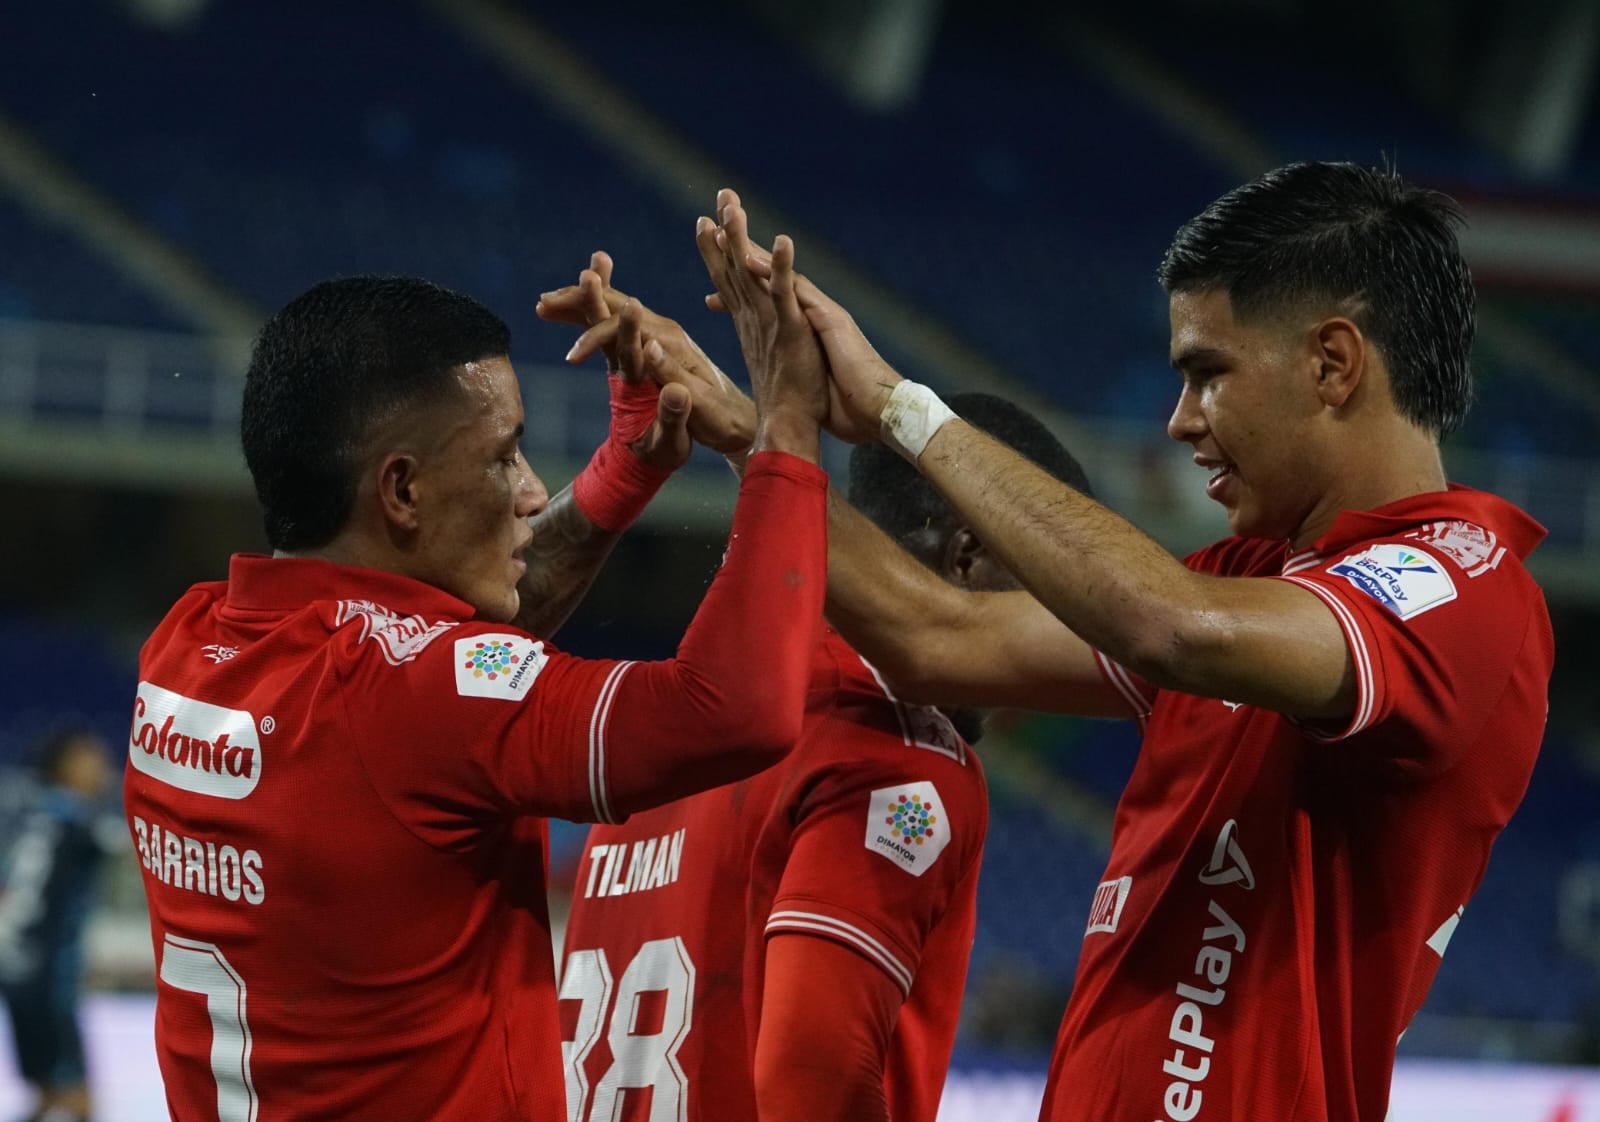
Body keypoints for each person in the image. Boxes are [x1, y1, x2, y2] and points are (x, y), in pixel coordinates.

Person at [702, 167, 1553, 1122]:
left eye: (1208, 372)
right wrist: (750, 430)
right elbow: (935, 634)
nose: (1181, 420)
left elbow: (1171, 626)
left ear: (1333, 363)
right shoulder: (1251, 578)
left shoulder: (1460, 585)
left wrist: (908, 412)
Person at [122, 268, 830, 1121]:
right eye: (504, 456)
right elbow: (733, 708)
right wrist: (784, 428)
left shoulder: (187, 646)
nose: (531, 489)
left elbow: (452, 671)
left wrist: (622, 475)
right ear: (402, 490)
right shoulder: (415, 698)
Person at [545, 259, 1092, 1122]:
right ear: (968, 559)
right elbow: (816, 1083)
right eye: (1053, 595)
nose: (1062, 639)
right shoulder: (902, 757)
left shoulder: (679, 726)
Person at [0, 727, 117, 1122]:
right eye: (93, 759)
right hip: (51, 975)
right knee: (79, 1100)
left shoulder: (31, 819)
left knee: (47, 1095)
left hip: (17, 969)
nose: (105, 769)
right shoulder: (79, 825)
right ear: (67, 767)